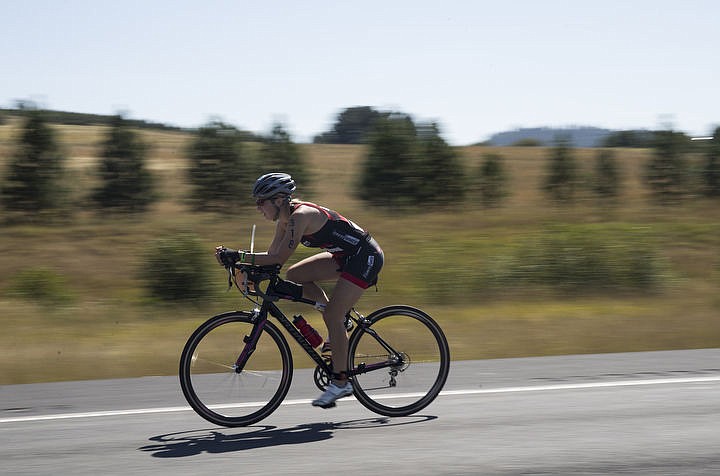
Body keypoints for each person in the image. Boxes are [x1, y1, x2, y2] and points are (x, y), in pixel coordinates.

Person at [216, 172, 384, 408]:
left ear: (278, 200)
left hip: (364, 256)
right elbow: (274, 261)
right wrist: (241, 264)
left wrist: (239, 255)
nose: (258, 208)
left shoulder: (300, 216)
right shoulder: (284, 222)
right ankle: (338, 320)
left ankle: (341, 382)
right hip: (344, 256)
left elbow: (277, 256)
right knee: (295, 275)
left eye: (260, 202)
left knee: (332, 316)